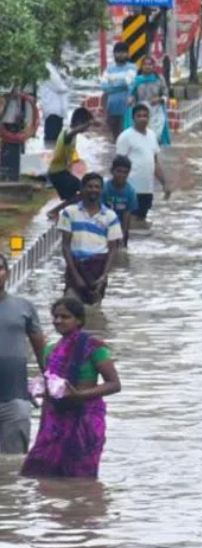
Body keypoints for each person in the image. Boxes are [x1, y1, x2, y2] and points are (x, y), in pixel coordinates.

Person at [21, 297, 121, 478]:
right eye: (56, 316)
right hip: (56, 418)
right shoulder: (50, 350)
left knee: (81, 476)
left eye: (65, 317)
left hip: (86, 416)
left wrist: (80, 394)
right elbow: (52, 384)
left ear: (79, 320)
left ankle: (83, 504)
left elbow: (114, 384)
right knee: (40, 472)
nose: (58, 321)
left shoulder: (94, 347)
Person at [0, 254, 46, 456]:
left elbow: (40, 349)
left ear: (7, 273)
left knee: (14, 461)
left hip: (16, 398)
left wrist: (51, 383)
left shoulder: (24, 307)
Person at [58, 173, 122, 306]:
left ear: (102, 190)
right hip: (75, 267)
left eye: (97, 187)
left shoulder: (110, 216)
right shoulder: (69, 213)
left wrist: (104, 276)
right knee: (70, 305)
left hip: (97, 269)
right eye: (90, 186)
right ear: (82, 189)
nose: (93, 190)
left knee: (93, 311)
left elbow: (113, 249)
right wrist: (75, 276)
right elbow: (65, 245)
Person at [115, 103, 170, 222]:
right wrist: (118, 188)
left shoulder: (152, 135)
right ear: (133, 118)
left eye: (145, 116)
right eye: (139, 116)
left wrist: (164, 183)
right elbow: (118, 165)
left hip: (147, 189)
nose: (142, 118)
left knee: (141, 221)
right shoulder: (125, 137)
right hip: (130, 188)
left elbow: (155, 162)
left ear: (149, 118)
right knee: (129, 221)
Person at [45, 108, 93, 217]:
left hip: (61, 172)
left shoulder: (70, 134)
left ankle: (60, 212)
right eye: (86, 126)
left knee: (78, 194)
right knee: (84, 190)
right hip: (58, 173)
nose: (87, 129)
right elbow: (72, 133)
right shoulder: (68, 134)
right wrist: (85, 125)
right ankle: (54, 211)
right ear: (80, 123)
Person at [123, 56, 170, 146]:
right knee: (142, 137)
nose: (147, 66)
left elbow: (166, 94)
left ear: (153, 66)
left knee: (155, 137)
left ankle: (154, 157)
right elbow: (133, 95)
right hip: (142, 112)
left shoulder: (159, 79)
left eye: (150, 64)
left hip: (156, 112)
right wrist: (131, 99)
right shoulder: (137, 80)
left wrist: (159, 99)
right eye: (145, 64)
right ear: (141, 66)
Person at [100, 42, 137, 140]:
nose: (120, 54)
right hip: (111, 109)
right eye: (118, 52)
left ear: (128, 54)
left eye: (123, 52)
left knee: (126, 137)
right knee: (115, 138)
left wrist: (112, 85)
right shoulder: (109, 69)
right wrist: (121, 85)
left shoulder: (132, 67)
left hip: (126, 109)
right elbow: (103, 86)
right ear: (114, 54)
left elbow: (129, 83)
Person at [101, 155, 138, 246]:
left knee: (121, 251)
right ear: (112, 171)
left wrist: (123, 234)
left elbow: (127, 216)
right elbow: (99, 211)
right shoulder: (104, 189)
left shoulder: (130, 192)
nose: (121, 175)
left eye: (125, 172)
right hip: (104, 225)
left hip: (121, 225)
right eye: (119, 171)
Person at [39, 61, 71, 146]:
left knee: (56, 139)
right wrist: (66, 77)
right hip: (52, 109)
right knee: (51, 138)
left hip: (58, 110)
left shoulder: (57, 68)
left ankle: (53, 156)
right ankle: (49, 155)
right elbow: (61, 87)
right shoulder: (48, 68)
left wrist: (66, 75)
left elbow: (67, 83)